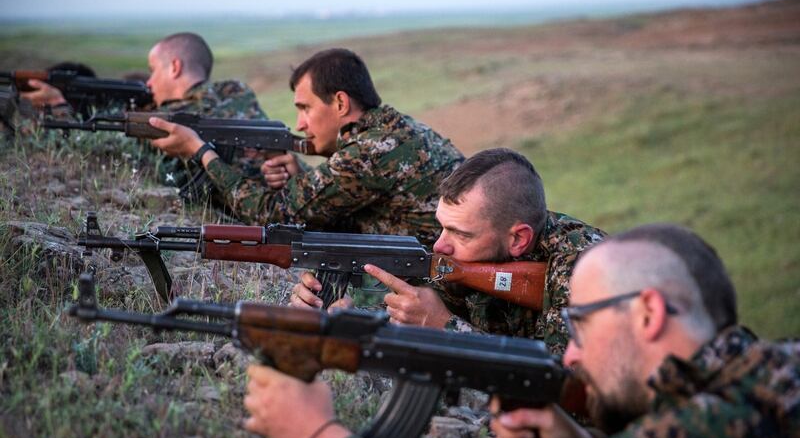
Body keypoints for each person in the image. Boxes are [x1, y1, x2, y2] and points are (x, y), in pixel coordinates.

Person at [243, 223, 799, 438]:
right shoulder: (760, 379)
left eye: (580, 326)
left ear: (650, 313)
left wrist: (317, 436)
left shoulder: (718, 429)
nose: (572, 356)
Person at [291, 148, 605, 354]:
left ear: (518, 240)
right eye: (442, 227)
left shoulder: (586, 271)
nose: (440, 245)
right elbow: (415, 308)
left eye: (459, 233)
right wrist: (339, 309)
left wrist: (445, 326)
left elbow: (564, 388)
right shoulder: (465, 259)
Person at [148, 48, 464, 246]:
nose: (300, 124)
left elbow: (270, 215)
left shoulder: (368, 151)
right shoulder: (396, 129)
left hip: (440, 280)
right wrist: (302, 174)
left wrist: (201, 152)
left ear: (340, 102)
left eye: (306, 108)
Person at [19, 33, 267, 197]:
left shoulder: (169, 121)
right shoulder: (237, 92)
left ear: (175, 67)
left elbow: (90, 143)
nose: (148, 82)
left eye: (152, 70)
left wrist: (57, 105)